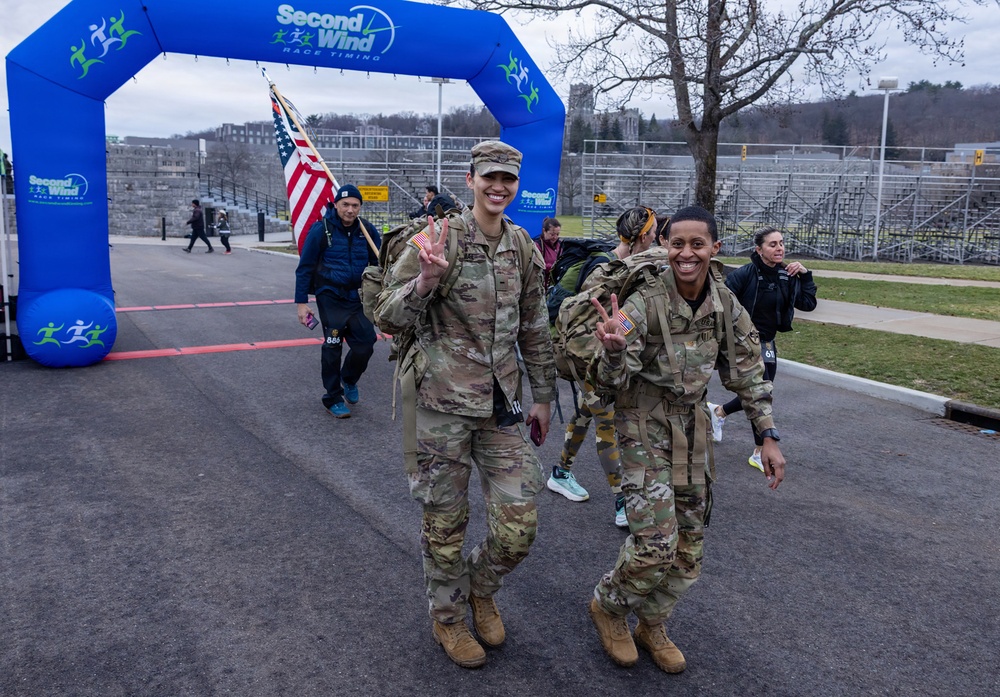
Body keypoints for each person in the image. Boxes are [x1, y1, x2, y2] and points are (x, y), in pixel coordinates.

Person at [374, 141, 555, 669]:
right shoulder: (438, 238)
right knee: (444, 524)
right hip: (440, 405)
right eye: (489, 177)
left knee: (518, 526)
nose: (498, 187)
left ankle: (480, 587)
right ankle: (448, 618)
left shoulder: (521, 246)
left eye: (508, 179)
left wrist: (544, 395)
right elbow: (385, 314)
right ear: (471, 178)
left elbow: (535, 326)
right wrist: (425, 281)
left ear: (516, 185)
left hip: (500, 406)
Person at [586, 205, 785, 674]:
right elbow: (607, 383)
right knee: (656, 545)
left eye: (698, 244)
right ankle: (609, 606)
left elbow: (749, 374)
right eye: (677, 243)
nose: (687, 253)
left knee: (689, 550)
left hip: (693, 430)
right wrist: (613, 352)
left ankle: (651, 623)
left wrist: (767, 436)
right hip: (642, 426)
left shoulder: (725, 305)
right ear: (665, 246)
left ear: (715, 248)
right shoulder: (643, 304)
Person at [547, 207, 657, 529]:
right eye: (653, 235)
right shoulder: (607, 269)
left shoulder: (624, 264)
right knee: (607, 423)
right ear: (642, 237)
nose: (655, 240)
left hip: (603, 358)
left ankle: (561, 472)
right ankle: (622, 501)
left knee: (585, 412)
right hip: (590, 358)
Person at [707, 226, 817, 469]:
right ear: (759, 249)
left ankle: (719, 412)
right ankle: (759, 450)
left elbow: (808, 304)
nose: (779, 248)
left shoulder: (787, 275)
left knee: (764, 391)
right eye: (773, 244)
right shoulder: (744, 275)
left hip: (766, 341)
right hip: (743, 342)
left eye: (781, 243)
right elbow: (721, 304)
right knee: (760, 392)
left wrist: (805, 276)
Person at [294, 184, 382, 418]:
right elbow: (305, 267)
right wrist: (301, 303)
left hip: (357, 297)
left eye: (355, 205)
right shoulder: (321, 230)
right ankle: (332, 397)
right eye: (345, 205)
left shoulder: (367, 230)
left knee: (366, 343)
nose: (350, 210)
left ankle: (349, 378)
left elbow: (379, 262)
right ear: (335, 205)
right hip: (330, 296)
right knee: (333, 345)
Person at [536, 217, 563, 287]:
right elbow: (537, 266)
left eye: (557, 234)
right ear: (544, 231)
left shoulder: (560, 245)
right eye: (552, 234)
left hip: (556, 285)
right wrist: (555, 267)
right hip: (542, 285)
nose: (555, 237)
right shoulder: (537, 245)